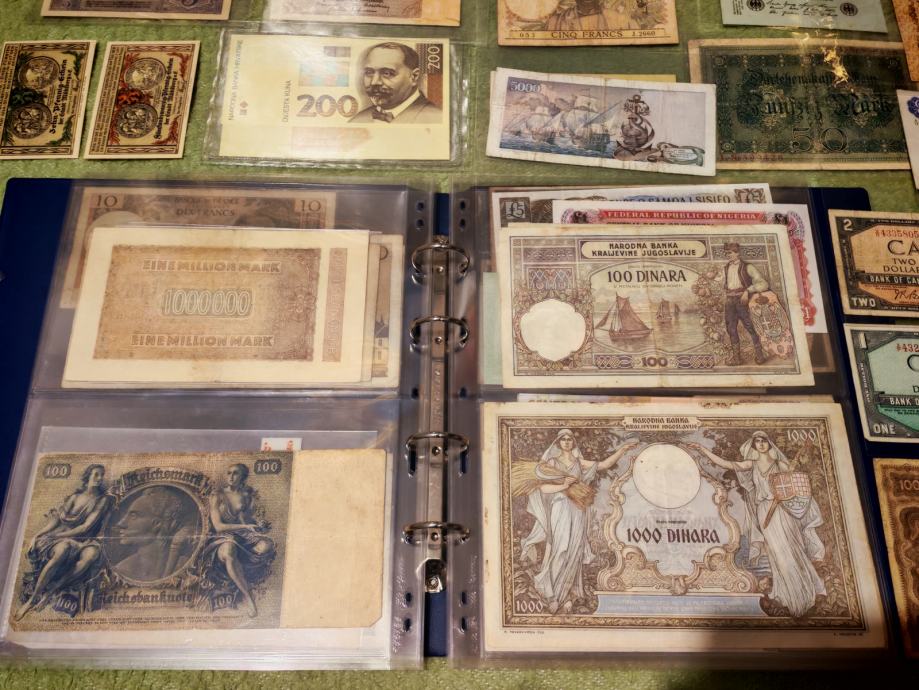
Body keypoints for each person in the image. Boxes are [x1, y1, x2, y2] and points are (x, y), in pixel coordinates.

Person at [684, 433, 826, 618]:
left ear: (769, 443)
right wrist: (702, 450)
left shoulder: (781, 464)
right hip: (765, 511)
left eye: (763, 441)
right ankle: (788, 596)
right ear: (753, 445)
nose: (760, 444)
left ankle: (808, 592)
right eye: (757, 441)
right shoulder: (751, 464)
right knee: (778, 554)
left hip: (783, 511)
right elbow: (726, 464)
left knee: (794, 550)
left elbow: (797, 487)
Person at [520, 429, 638, 614]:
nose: (567, 441)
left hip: (577, 508)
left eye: (570, 439)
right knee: (561, 548)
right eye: (563, 439)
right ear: (558, 443)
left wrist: (622, 450)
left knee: (574, 549)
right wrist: (563, 485)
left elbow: (604, 465)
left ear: (573, 443)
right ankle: (553, 594)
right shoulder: (551, 463)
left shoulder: (579, 462)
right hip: (560, 506)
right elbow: (543, 488)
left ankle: (566, 595)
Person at [14, 464, 111, 621]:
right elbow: (57, 520)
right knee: (63, 549)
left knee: (91, 554)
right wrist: (39, 534)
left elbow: (85, 527)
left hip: (83, 539)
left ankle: (52, 590)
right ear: (88, 477)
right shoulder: (74, 498)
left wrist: (59, 535)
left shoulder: (102, 500)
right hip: (62, 537)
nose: (100, 478)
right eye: (96, 474)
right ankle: (33, 598)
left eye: (102, 475)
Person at [201, 464, 275, 617]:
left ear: (243, 477)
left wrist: (258, 526)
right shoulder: (217, 496)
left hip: (241, 536)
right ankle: (248, 597)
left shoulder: (245, 496)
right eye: (229, 473)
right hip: (221, 538)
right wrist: (245, 526)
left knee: (267, 545)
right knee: (229, 549)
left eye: (235, 474)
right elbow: (218, 526)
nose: (231, 477)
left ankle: (238, 566)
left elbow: (245, 520)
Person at [111, 486, 197, 583]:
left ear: (157, 524)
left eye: (133, 516)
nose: (121, 524)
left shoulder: (186, 566)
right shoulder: (123, 570)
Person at [349, 43, 441, 124]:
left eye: (387, 73)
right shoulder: (357, 120)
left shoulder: (437, 118)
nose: (374, 82)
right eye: (369, 72)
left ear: (414, 77)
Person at [721, 241, 768, 365]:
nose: (728, 255)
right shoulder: (725, 268)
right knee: (731, 329)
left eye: (730, 253)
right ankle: (737, 359)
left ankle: (760, 356)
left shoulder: (748, 267)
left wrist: (748, 291)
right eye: (726, 253)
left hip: (743, 301)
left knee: (751, 327)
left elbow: (763, 284)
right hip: (729, 302)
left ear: (737, 253)